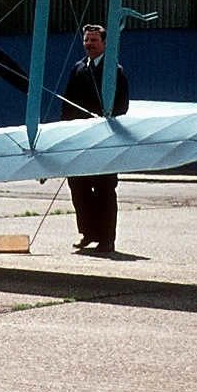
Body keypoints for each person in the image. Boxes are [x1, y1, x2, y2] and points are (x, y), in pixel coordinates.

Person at [62, 24, 129, 253]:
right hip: (79, 142)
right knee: (78, 187)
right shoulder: (78, 69)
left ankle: (106, 239)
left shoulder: (114, 71)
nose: (89, 44)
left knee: (104, 190)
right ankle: (88, 233)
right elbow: (67, 105)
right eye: (86, 40)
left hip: (104, 143)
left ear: (104, 43)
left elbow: (122, 106)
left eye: (94, 40)